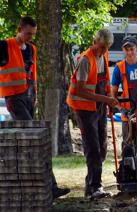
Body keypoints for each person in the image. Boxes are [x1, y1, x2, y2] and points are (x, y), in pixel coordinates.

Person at [0, 16, 70, 199]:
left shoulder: (32, 50)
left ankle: (35, 185)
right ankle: (51, 187)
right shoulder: (4, 46)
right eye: (28, 33)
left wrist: (35, 98)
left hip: (29, 99)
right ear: (19, 28)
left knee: (31, 143)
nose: (31, 37)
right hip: (14, 100)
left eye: (33, 34)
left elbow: (31, 76)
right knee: (37, 140)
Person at [66, 29, 119, 199]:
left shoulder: (103, 56)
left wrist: (109, 99)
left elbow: (104, 82)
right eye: (102, 47)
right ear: (95, 41)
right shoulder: (85, 60)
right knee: (93, 148)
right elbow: (81, 90)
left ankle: (91, 184)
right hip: (84, 108)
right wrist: (105, 98)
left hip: (99, 106)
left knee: (102, 147)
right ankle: (95, 187)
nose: (104, 51)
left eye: (107, 48)